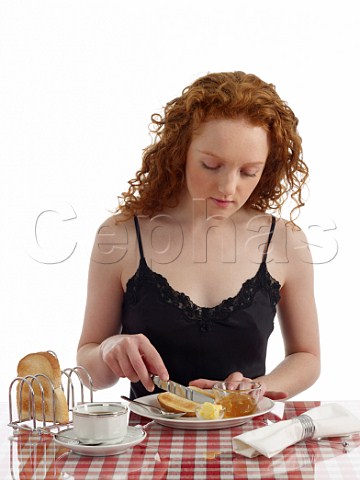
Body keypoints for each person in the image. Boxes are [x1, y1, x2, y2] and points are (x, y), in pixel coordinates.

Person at [77, 71, 320, 401]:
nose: (229, 188)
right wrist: (109, 349)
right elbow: (90, 369)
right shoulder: (120, 236)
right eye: (210, 165)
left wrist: (258, 388)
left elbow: (306, 357)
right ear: (180, 153)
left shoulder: (285, 241)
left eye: (249, 171)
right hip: (146, 448)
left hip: (249, 445)